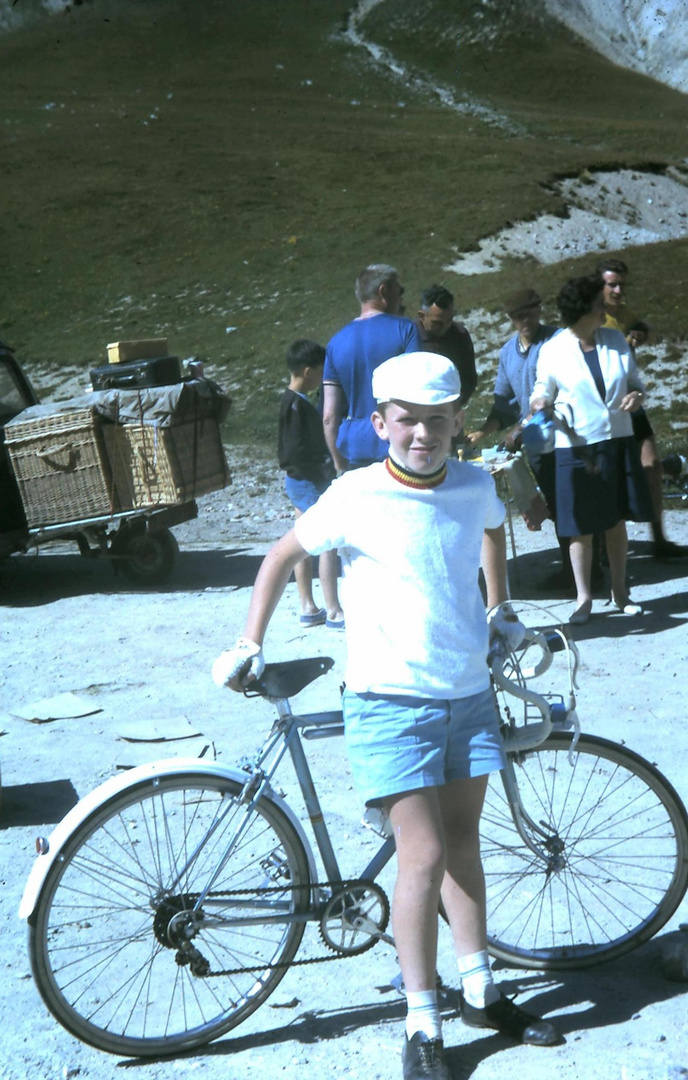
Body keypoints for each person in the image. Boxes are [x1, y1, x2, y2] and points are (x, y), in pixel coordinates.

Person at [214, 352, 559, 1079]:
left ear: (458, 423)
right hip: (388, 703)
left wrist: (499, 608)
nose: (423, 434)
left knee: (464, 845)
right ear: (380, 423)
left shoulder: (471, 484)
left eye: (438, 420)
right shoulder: (354, 493)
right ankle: (421, 1018)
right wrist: (249, 641)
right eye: (407, 421)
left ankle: (479, 986)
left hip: (465, 695)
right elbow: (280, 558)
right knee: (424, 856)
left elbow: (494, 528)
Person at [530, 275, 653, 625]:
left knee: (614, 520)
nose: (605, 310)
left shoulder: (615, 340)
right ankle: (584, 598)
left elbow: (635, 383)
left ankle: (620, 592)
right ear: (583, 311)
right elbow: (542, 388)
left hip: (616, 439)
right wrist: (539, 400)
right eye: (599, 305)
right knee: (580, 524)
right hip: (576, 446)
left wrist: (636, 396)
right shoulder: (554, 348)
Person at [465, 288, 589, 589]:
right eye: (519, 316)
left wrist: (517, 432)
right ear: (510, 319)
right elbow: (504, 403)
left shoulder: (558, 341)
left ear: (540, 310)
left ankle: (588, 571)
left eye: (530, 312)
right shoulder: (508, 352)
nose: (525, 320)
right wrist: (484, 430)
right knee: (557, 505)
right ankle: (573, 570)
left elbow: (560, 393)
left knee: (575, 503)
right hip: (537, 445)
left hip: (567, 436)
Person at [597, 257, 687, 560]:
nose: (618, 290)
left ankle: (659, 539)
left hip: (632, 400)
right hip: (604, 406)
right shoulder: (592, 317)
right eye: (612, 284)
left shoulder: (622, 313)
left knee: (652, 466)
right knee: (608, 477)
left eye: (622, 284)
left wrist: (639, 333)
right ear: (600, 285)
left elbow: (644, 328)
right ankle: (604, 548)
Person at [322, 264, 422, 472]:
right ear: (383, 291)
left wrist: (340, 466)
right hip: (397, 445)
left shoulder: (335, 343)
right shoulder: (406, 329)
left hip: (354, 447)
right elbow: (419, 389)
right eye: (399, 291)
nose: (402, 298)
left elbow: (329, 415)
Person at [277, 339, 345, 629]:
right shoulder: (297, 406)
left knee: (301, 540)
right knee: (325, 542)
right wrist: (324, 470)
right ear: (307, 371)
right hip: (306, 481)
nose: (322, 377)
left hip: (297, 481)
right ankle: (333, 610)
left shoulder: (291, 400)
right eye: (320, 371)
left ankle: (308, 606)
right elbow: (293, 452)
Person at [415, 284, 477, 408]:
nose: (445, 327)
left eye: (449, 320)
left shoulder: (459, 334)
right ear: (422, 316)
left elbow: (469, 377)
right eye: (437, 323)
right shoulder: (407, 336)